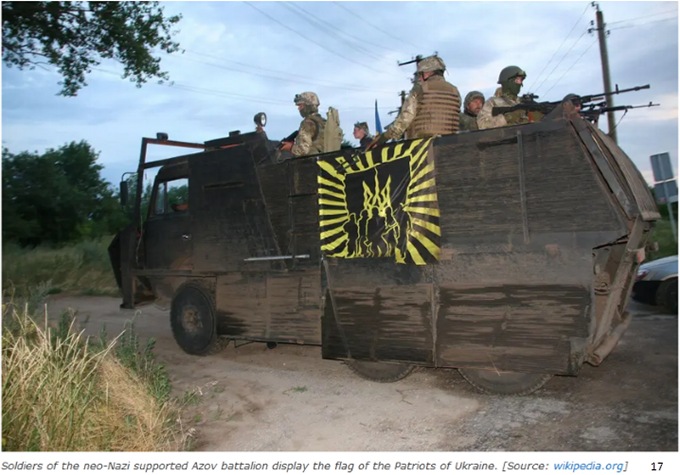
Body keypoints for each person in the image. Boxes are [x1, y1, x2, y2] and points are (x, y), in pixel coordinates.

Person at [367, 55, 460, 148]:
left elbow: (405, 118)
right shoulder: (455, 91)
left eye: (420, 74)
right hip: (451, 146)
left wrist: (384, 137)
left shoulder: (420, 89)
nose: (419, 78)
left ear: (428, 72)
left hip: (423, 147)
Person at [477, 66, 530, 130]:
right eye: (517, 80)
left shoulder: (523, 102)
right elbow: (482, 125)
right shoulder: (493, 102)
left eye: (521, 80)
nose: (520, 83)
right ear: (508, 82)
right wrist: (506, 118)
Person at [280, 92, 326, 156]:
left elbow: (303, 150)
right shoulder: (323, 122)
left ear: (307, 106)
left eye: (301, 106)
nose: (298, 108)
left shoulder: (307, 123)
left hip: (310, 163)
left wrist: (290, 147)